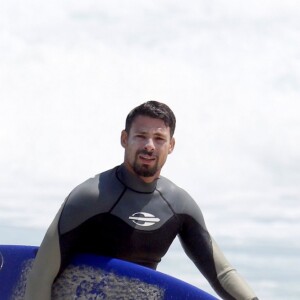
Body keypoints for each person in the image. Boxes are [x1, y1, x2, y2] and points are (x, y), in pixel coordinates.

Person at [25, 101, 258, 300]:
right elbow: (40, 276)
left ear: (171, 145)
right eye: (141, 136)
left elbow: (223, 273)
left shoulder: (179, 205)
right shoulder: (89, 197)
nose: (149, 145)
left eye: (159, 138)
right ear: (125, 139)